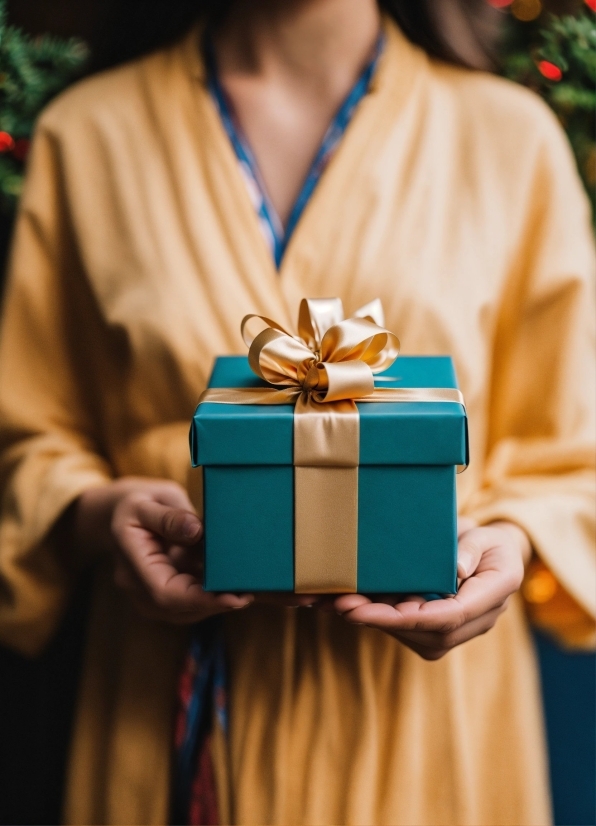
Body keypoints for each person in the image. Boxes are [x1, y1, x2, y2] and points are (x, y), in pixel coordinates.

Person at [0, 1, 594, 824]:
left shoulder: (509, 140)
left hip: (429, 735)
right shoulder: (91, 133)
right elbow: (30, 438)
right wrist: (101, 514)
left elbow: (575, 461)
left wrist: (509, 546)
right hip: (159, 713)